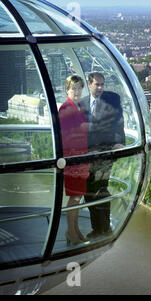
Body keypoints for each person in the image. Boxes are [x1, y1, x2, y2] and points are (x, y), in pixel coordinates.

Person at [79, 72, 125, 239]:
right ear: (89, 84)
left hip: (105, 153)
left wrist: (119, 143)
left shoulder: (112, 99)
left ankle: (104, 228)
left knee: (100, 188)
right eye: (97, 84)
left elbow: (119, 122)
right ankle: (97, 228)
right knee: (88, 191)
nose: (100, 88)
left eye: (102, 84)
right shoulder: (81, 104)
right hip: (86, 155)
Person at [59, 75, 89, 245]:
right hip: (73, 159)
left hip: (80, 158)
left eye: (79, 88)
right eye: (73, 88)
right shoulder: (66, 109)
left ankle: (75, 230)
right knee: (75, 197)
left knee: (78, 196)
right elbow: (66, 137)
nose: (77, 91)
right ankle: (71, 232)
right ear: (67, 90)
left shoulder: (76, 107)